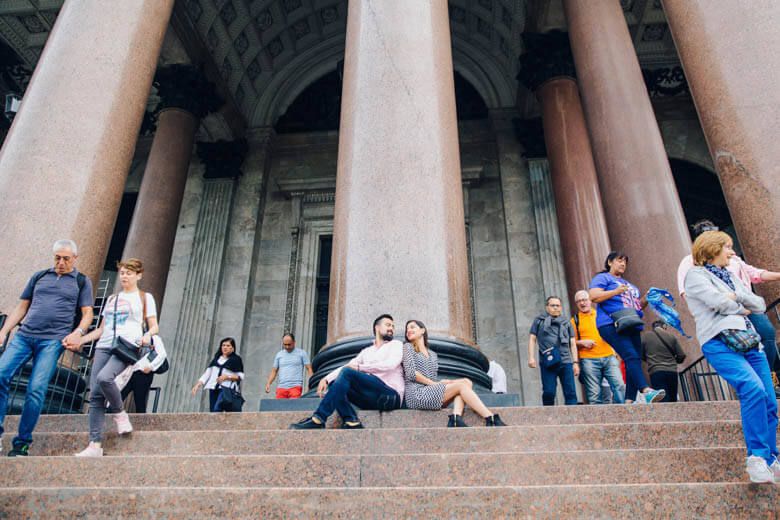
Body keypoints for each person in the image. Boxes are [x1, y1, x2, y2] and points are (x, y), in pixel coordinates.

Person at [684, 230, 779, 483]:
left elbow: (758, 304)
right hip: (719, 342)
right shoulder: (694, 276)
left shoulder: (729, 275)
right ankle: (757, 458)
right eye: (727, 247)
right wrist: (738, 303)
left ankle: (772, 459)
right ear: (712, 248)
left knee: (770, 402)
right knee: (753, 389)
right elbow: (718, 303)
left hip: (749, 341)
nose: (732, 252)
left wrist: (734, 297)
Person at [0, 240, 94, 456]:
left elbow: (87, 313)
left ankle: (22, 443)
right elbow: (22, 306)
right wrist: (4, 331)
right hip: (24, 336)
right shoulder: (40, 276)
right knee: (1, 374)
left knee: (36, 389)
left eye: (66, 258)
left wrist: (78, 333)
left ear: (75, 258)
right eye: (57, 258)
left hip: (53, 341)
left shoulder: (81, 281)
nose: (61, 262)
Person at [678, 219, 780, 391]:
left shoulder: (733, 260)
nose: (729, 251)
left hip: (747, 307)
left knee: (766, 333)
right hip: (722, 314)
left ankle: (769, 376)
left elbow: (754, 274)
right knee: (737, 353)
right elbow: (690, 294)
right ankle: (753, 381)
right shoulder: (690, 263)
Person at [74, 259, 158, 457]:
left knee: (105, 378)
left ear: (139, 275)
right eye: (122, 273)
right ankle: (95, 445)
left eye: (129, 272)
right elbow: (102, 328)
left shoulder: (145, 298)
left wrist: (147, 335)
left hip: (127, 346)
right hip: (104, 345)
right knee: (95, 395)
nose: (124, 276)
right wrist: (82, 339)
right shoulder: (112, 299)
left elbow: (154, 325)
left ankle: (119, 413)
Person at [290, 314, 403, 430]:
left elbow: (390, 364)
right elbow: (348, 366)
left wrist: (360, 368)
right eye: (388, 325)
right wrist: (326, 379)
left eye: (393, 326)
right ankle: (351, 420)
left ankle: (318, 418)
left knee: (347, 373)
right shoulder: (367, 351)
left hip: (390, 396)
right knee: (335, 383)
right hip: (372, 397)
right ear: (377, 328)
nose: (391, 329)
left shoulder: (396, 345)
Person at [589, 252, 665, 404]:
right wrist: (615, 291)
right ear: (610, 262)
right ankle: (645, 390)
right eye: (619, 260)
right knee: (630, 355)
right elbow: (593, 296)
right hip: (611, 324)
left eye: (625, 262)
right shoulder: (603, 278)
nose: (623, 264)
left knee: (634, 358)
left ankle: (629, 400)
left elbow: (636, 306)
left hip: (631, 323)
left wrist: (647, 299)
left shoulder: (631, 285)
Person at [402, 320, 506, 427]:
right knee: (461, 386)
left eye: (412, 327)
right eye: (407, 329)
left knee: (466, 382)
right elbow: (411, 373)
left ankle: (456, 417)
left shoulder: (432, 354)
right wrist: (434, 384)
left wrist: (443, 382)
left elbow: (431, 379)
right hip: (416, 394)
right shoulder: (407, 348)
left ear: (422, 330)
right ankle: (490, 417)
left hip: (429, 392)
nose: (408, 330)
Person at [571, 290, 625, 404]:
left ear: (590, 300)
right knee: (594, 394)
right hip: (588, 359)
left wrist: (617, 353)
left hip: (609, 357)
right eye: (579, 301)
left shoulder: (601, 315)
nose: (582, 303)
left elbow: (613, 334)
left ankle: (620, 414)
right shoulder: (574, 321)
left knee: (619, 386)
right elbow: (570, 342)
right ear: (576, 304)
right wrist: (581, 342)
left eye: (584, 300)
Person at [528, 296, 579, 406]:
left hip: (566, 361)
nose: (555, 308)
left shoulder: (566, 322)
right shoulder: (539, 321)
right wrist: (531, 357)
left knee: (570, 393)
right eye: (552, 305)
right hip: (548, 361)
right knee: (549, 392)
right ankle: (547, 416)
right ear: (547, 307)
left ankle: (572, 419)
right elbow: (532, 339)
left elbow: (572, 343)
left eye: (558, 305)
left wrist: (575, 362)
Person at [191, 337, 244, 412]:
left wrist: (227, 377)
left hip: (226, 389)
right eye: (223, 345)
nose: (225, 347)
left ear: (232, 348)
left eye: (228, 346)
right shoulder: (216, 359)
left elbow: (240, 376)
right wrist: (198, 384)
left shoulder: (236, 359)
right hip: (213, 387)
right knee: (213, 411)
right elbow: (207, 373)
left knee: (217, 408)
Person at [641, 321, 686, 402]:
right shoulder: (671, 336)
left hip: (656, 370)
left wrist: (649, 359)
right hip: (672, 371)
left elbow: (640, 354)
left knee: (661, 398)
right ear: (664, 326)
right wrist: (674, 361)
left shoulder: (645, 336)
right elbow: (681, 355)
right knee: (673, 398)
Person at [265, 333, 313, 399]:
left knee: (294, 408)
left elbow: (309, 369)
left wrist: (311, 384)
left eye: (289, 344)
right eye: (285, 344)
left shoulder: (302, 353)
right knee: (278, 407)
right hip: (281, 387)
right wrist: (268, 383)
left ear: (294, 342)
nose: (287, 347)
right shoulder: (279, 354)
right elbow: (274, 371)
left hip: (295, 387)